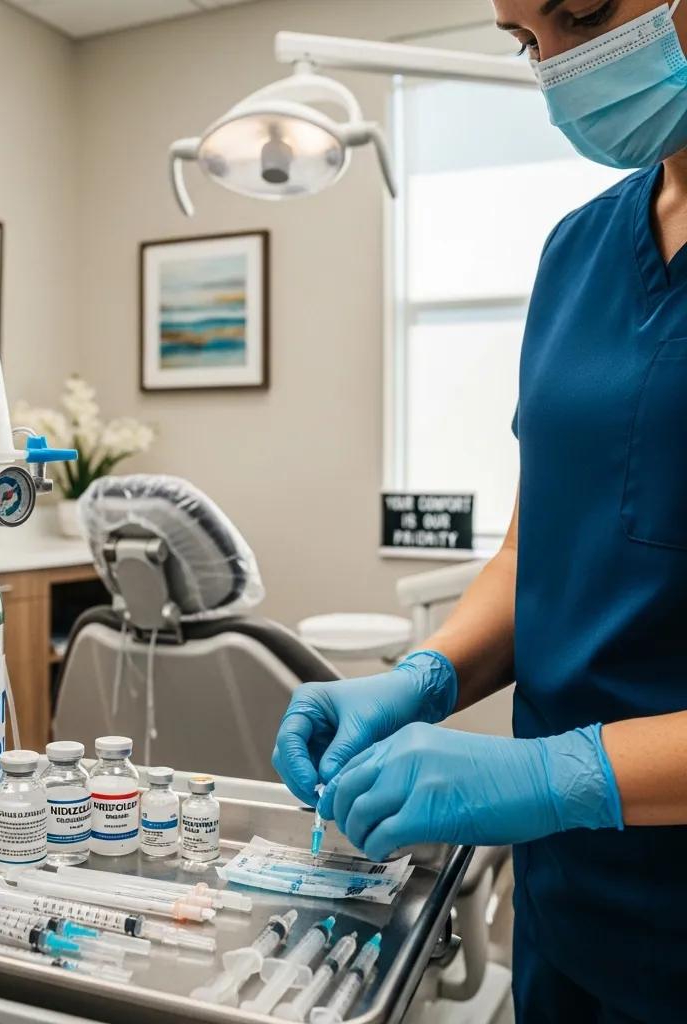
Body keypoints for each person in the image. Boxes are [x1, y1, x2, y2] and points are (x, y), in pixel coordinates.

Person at [272, 2, 687, 1021]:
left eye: (582, 12)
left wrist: (560, 772)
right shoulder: (577, 251)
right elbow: (531, 545)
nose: (554, 65)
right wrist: (425, 675)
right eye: (522, 40)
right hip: (568, 905)